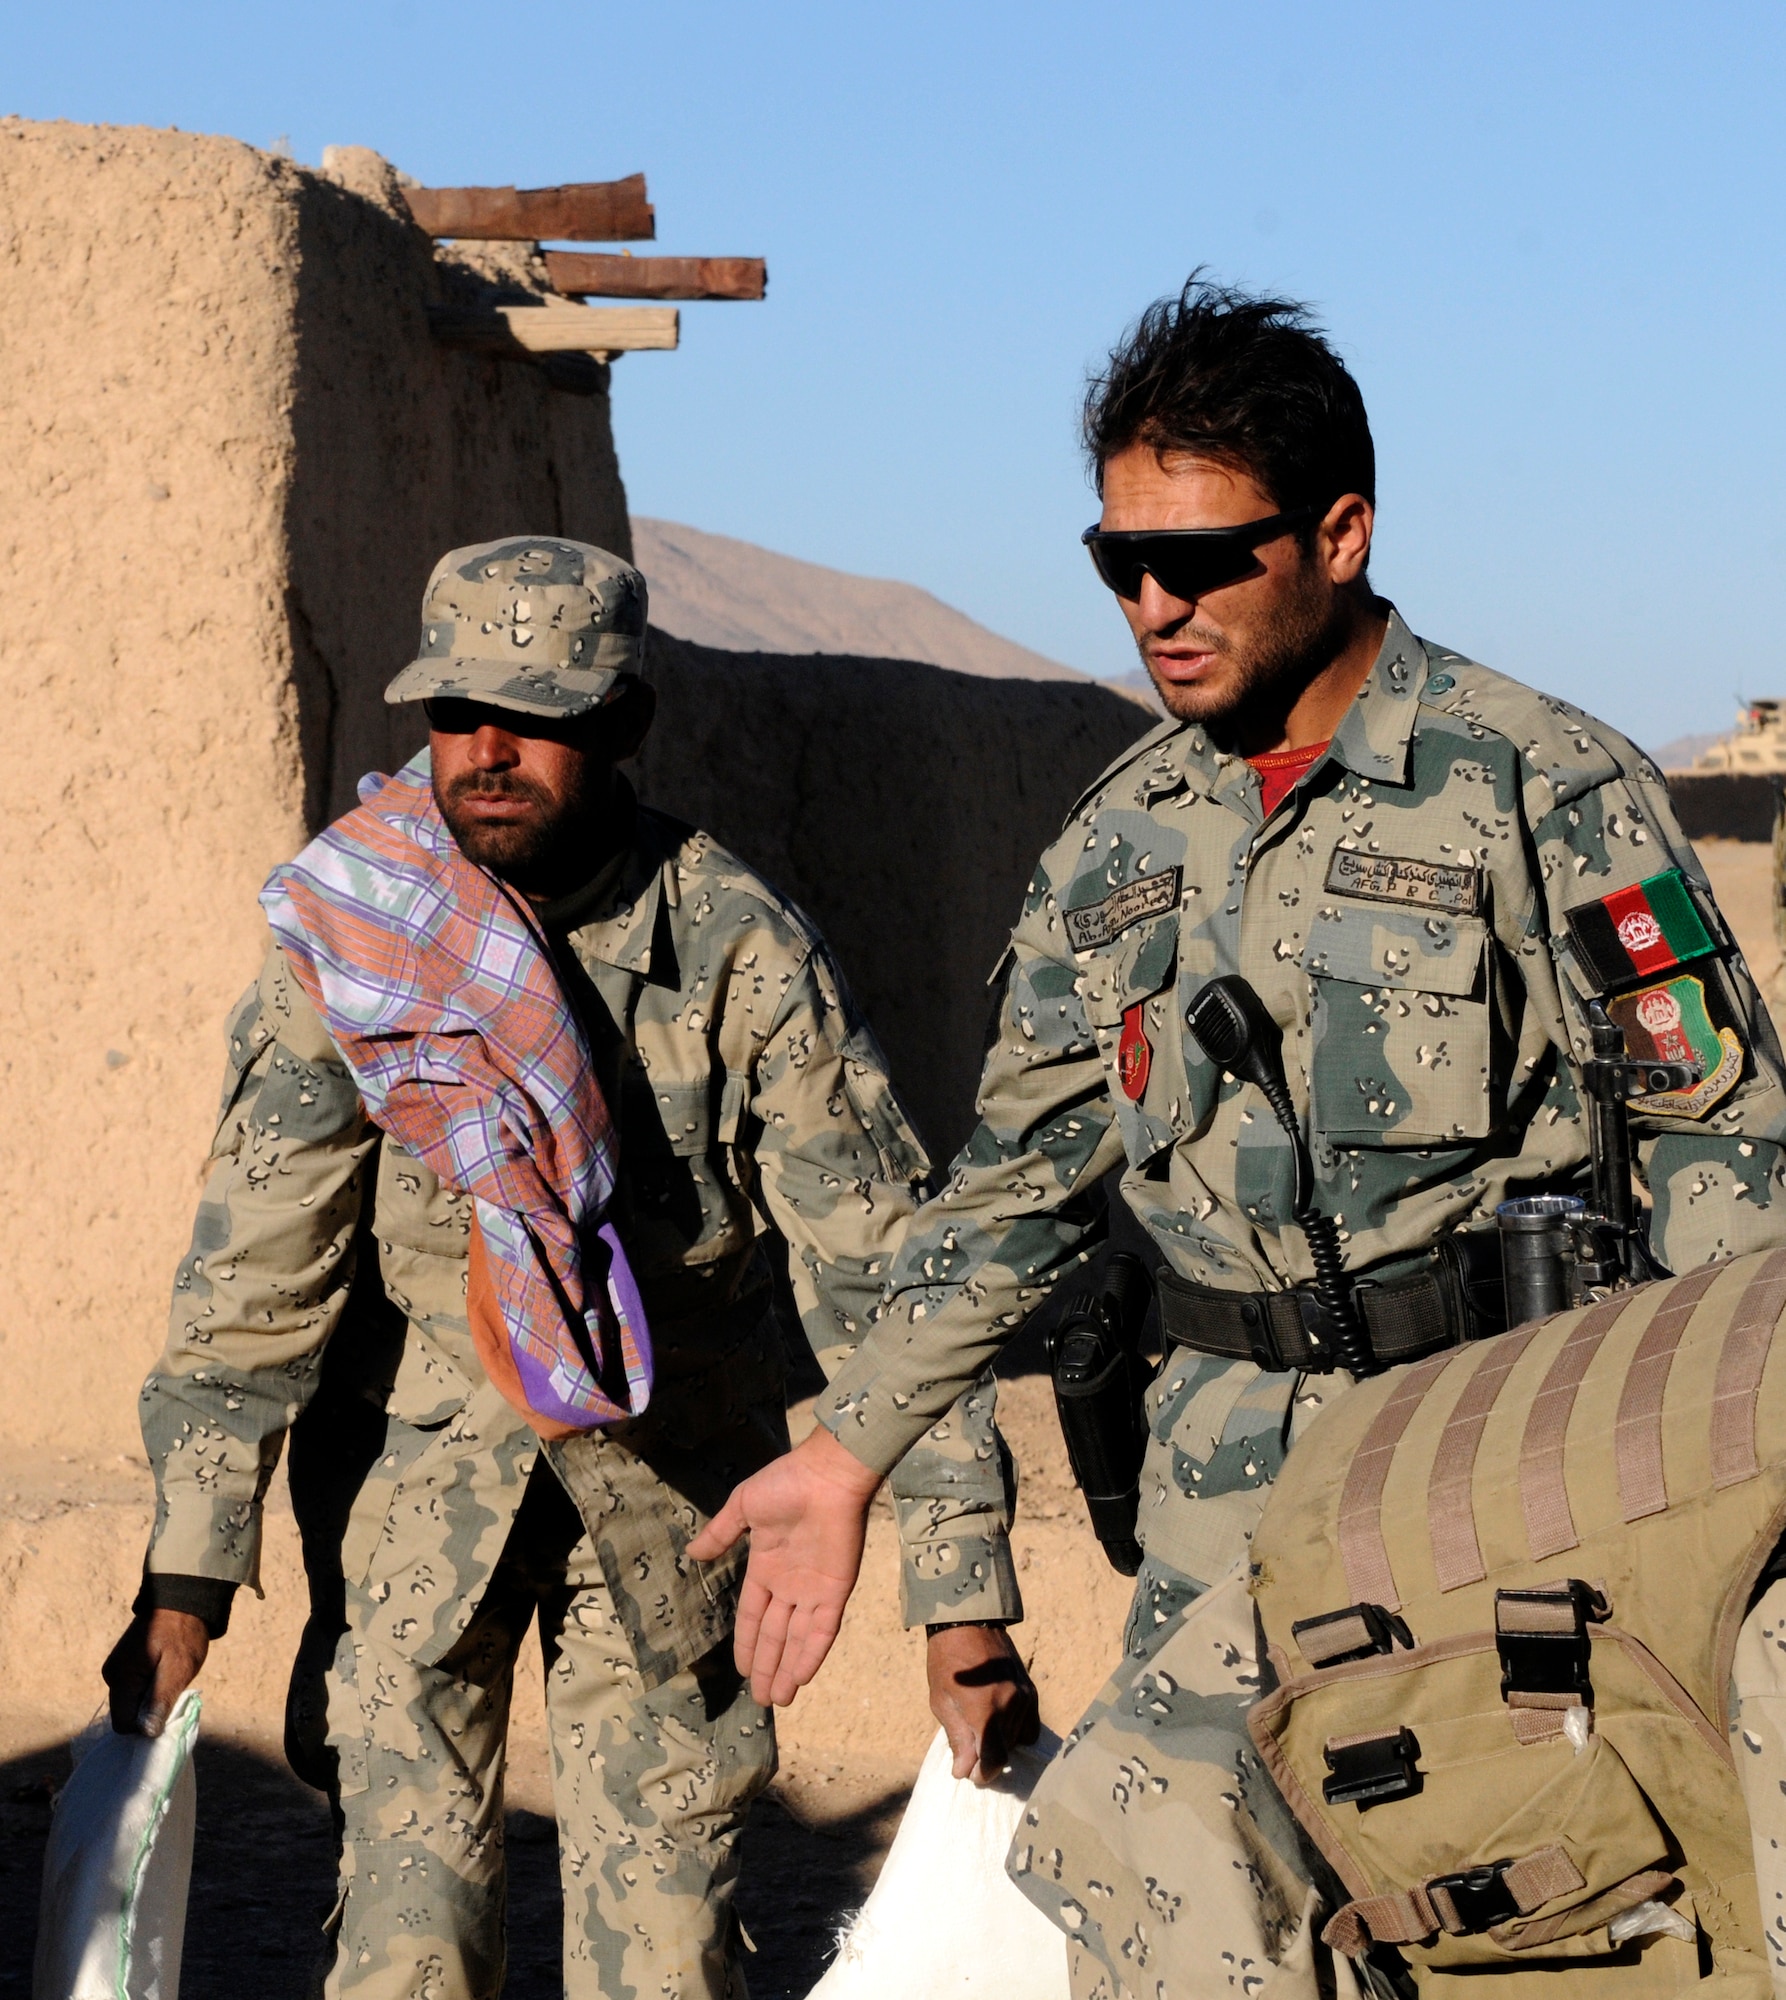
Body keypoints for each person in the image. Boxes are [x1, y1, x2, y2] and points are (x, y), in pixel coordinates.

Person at [687, 281, 1786, 1996]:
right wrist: (850, 1456)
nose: (1153, 604)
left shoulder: (1535, 786)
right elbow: (1020, 1185)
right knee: (1178, 1915)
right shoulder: (1120, 839)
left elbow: (1719, 1156)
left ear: (1338, 534)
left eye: (1201, 560)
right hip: (1215, 1515)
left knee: (1515, 1929)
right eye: (1116, 561)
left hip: (1483, 1480)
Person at [99, 537, 1038, 2000]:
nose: (488, 753)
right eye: (458, 713)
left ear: (623, 727)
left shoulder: (734, 948)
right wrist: (189, 1573)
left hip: (672, 1507)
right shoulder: (356, 937)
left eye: (537, 720)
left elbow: (887, 1276)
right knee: (407, 1949)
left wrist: (960, 1595)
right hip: (416, 1504)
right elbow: (255, 1270)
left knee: (666, 1957)